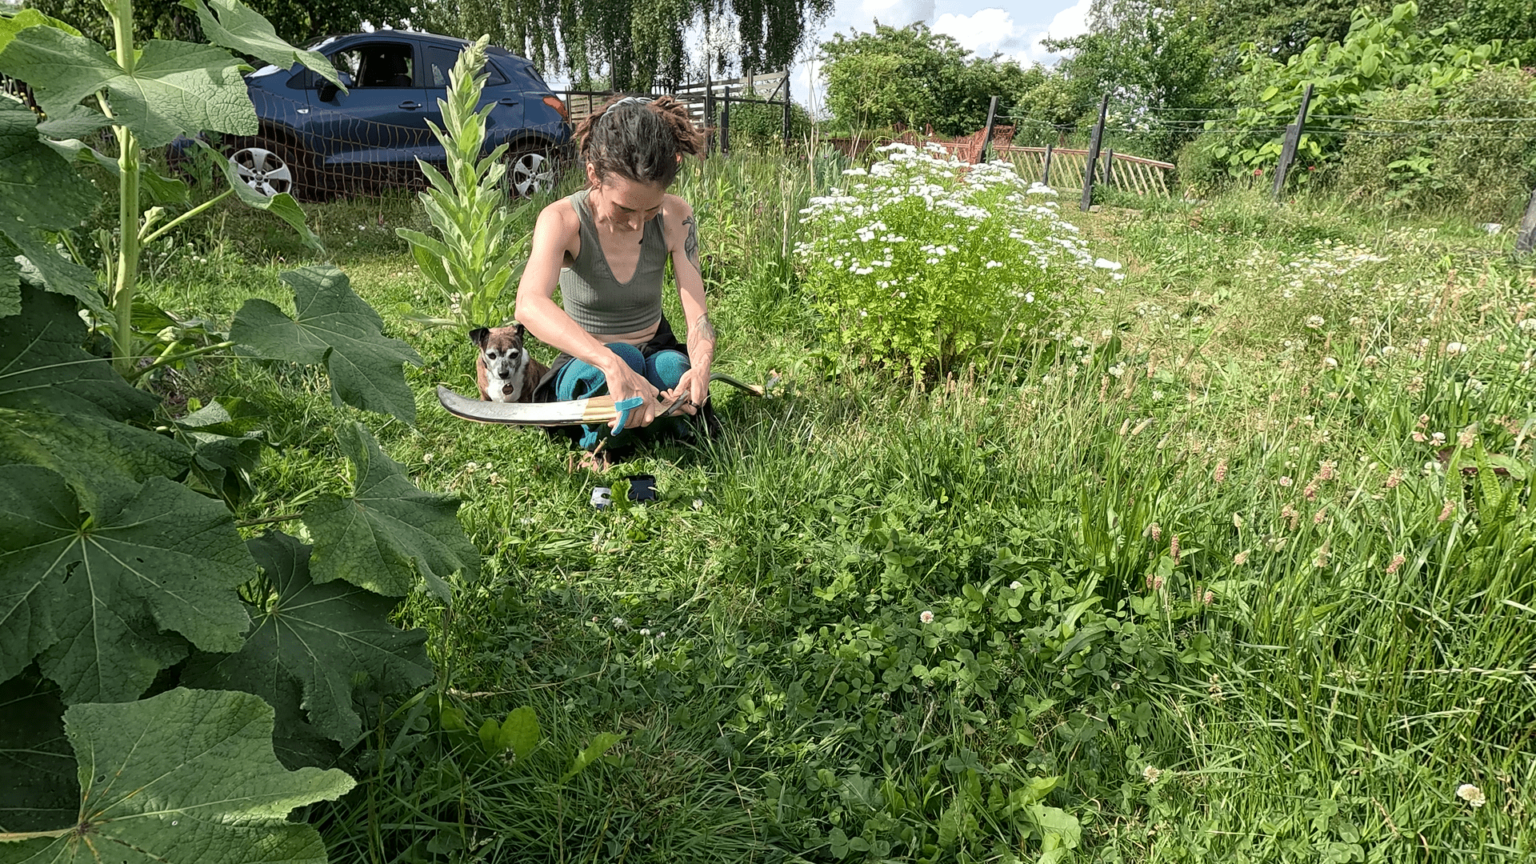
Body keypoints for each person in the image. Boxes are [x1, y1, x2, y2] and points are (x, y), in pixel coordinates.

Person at [516, 94, 715, 452]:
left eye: (650, 209)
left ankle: (639, 421)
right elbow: (529, 304)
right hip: (588, 360)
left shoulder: (676, 217)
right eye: (624, 209)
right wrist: (610, 363)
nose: (637, 222)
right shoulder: (562, 220)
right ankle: (630, 430)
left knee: (671, 369)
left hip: (654, 347)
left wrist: (700, 366)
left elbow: (696, 314)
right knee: (625, 358)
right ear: (594, 174)